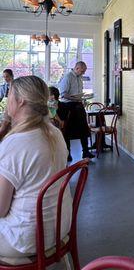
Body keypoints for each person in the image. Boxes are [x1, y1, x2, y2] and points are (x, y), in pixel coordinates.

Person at [0, 75, 72, 263]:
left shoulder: (15, 143)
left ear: (21, 101)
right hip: (58, 229)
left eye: (9, 95)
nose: (7, 100)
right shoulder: (55, 133)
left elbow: (0, 209)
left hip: (24, 240)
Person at [59, 61, 94, 161]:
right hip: (68, 106)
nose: (83, 73)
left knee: (84, 129)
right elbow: (63, 94)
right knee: (68, 131)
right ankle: (68, 154)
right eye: (82, 71)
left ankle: (86, 152)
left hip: (78, 105)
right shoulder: (67, 77)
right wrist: (76, 99)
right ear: (77, 68)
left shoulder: (79, 78)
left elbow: (79, 93)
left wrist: (82, 98)